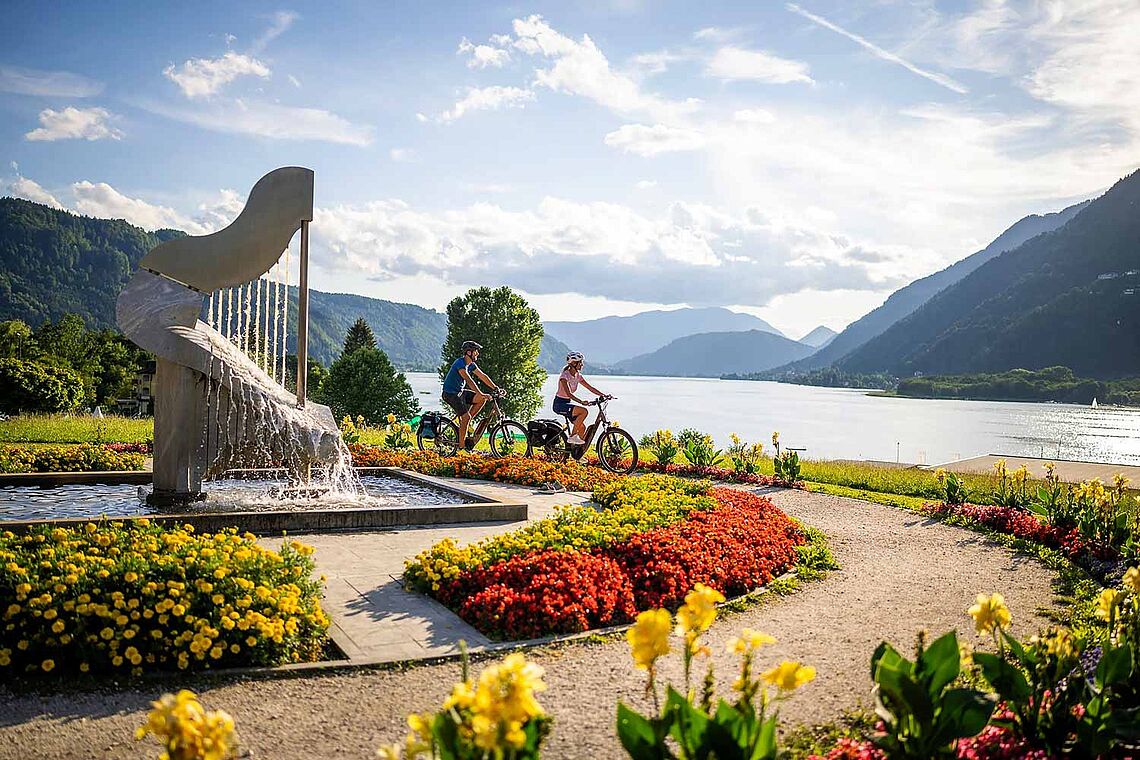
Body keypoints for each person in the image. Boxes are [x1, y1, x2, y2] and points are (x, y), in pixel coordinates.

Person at [441, 340, 500, 451]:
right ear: (469, 352)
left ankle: (465, 423)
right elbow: (469, 380)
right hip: (450, 394)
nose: (477, 353)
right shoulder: (460, 363)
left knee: (480, 400)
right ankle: (461, 448)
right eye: (475, 351)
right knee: (467, 416)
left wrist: (496, 388)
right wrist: (482, 394)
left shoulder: (471, 365)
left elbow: (483, 376)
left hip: (460, 392)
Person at [553, 351, 605, 445]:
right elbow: (569, 394)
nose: (582, 365)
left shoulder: (578, 376)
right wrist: (581, 402)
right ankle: (572, 436)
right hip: (559, 404)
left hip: (567, 404)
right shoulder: (564, 376)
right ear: (573, 363)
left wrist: (603, 395)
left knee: (582, 428)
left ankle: (578, 453)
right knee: (584, 411)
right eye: (580, 362)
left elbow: (590, 387)